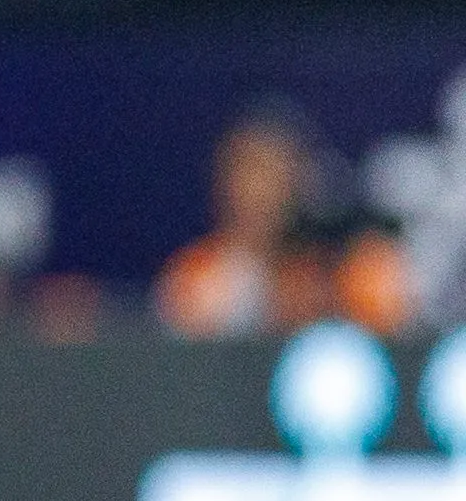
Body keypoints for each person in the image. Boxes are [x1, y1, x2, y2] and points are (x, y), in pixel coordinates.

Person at [154, 110, 413, 337]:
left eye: (273, 172)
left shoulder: (342, 265)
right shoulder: (196, 277)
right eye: (249, 172)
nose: (259, 191)